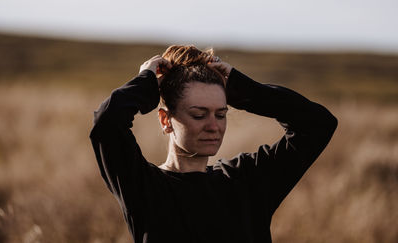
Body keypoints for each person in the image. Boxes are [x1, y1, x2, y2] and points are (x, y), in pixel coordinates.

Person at [89, 45, 338, 243]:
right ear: (166, 120)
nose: (213, 126)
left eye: (220, 114)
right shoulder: (144, 187)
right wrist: (146, 80)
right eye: (199, 114)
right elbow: (107, 124)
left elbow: (318, 124)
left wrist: (243, 88)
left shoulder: (247, 181)